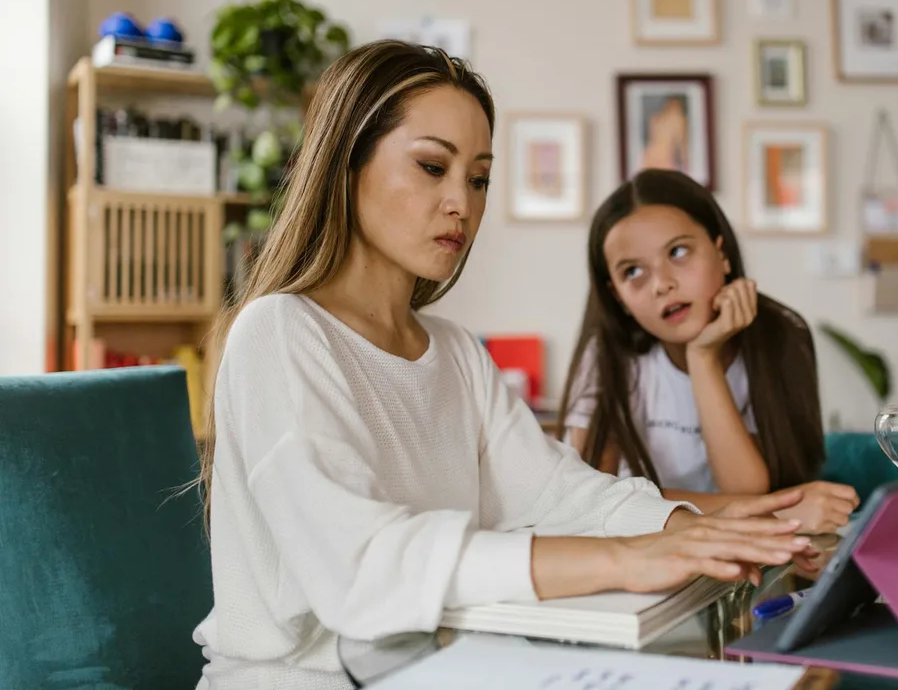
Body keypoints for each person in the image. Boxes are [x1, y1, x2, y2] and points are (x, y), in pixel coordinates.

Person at [191, 41, 814, 690]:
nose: (462, 201)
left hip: (437, 668)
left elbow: (559, 494)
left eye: (479, 177)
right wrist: (626, 559)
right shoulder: (278, 333)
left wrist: (693, 528)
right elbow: (365, 567)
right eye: (433, 166)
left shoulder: (455, 352)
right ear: (347, 164)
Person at [558, 169, 860, 532]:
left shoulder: (782, 336)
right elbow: (594, 501)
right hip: (652, 554)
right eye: (633, 272)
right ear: (617, 296)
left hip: (752, 555)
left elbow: (746, 489)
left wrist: (703, 358)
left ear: (723, 254)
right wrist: (775, 513)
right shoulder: (607, 356)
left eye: (679, 251)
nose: (662, 284)